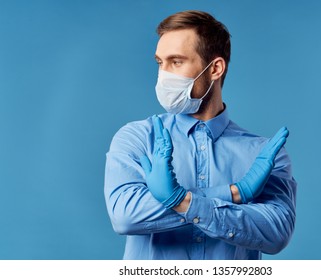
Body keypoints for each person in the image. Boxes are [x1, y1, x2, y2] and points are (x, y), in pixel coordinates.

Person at [104, 10, 297, 260]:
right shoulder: (138, 138)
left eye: (176, 62)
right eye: (160, 63)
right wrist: (235, 193)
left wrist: (180, 201)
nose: (164, 75)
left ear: (215, 68)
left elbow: (276, 232)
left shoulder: (264, 153)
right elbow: (126, 216)